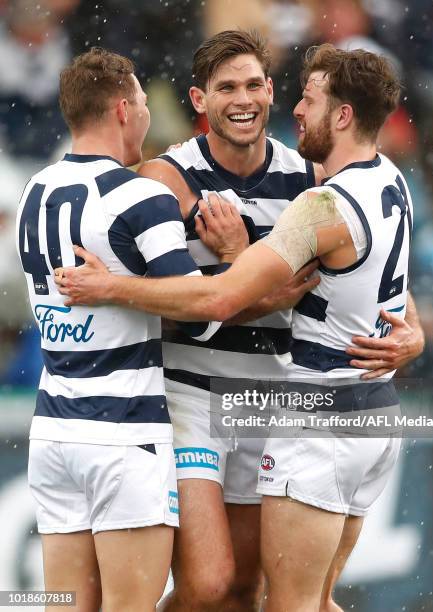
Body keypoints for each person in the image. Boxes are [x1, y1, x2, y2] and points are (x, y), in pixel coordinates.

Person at [56, 37, 423, 612]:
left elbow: (372, 265)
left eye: (255, 85)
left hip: (274, 401)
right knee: (207, 585)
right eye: (227, 87)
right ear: (200, 99)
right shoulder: (164, 180)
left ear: (272, 91)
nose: (244, 99)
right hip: (191, 398)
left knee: (247, 592)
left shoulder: (312, 180)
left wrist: (412, 330)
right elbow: (166, 304)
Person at [16, 47, 236, 612]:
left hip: (54, 431)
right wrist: (230, 264)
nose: (144, 114)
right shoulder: (141, 195)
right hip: (123, 434)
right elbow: (202, 316)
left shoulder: (32, 191)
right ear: (121, 108)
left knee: (63, 607)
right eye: (141, 101)